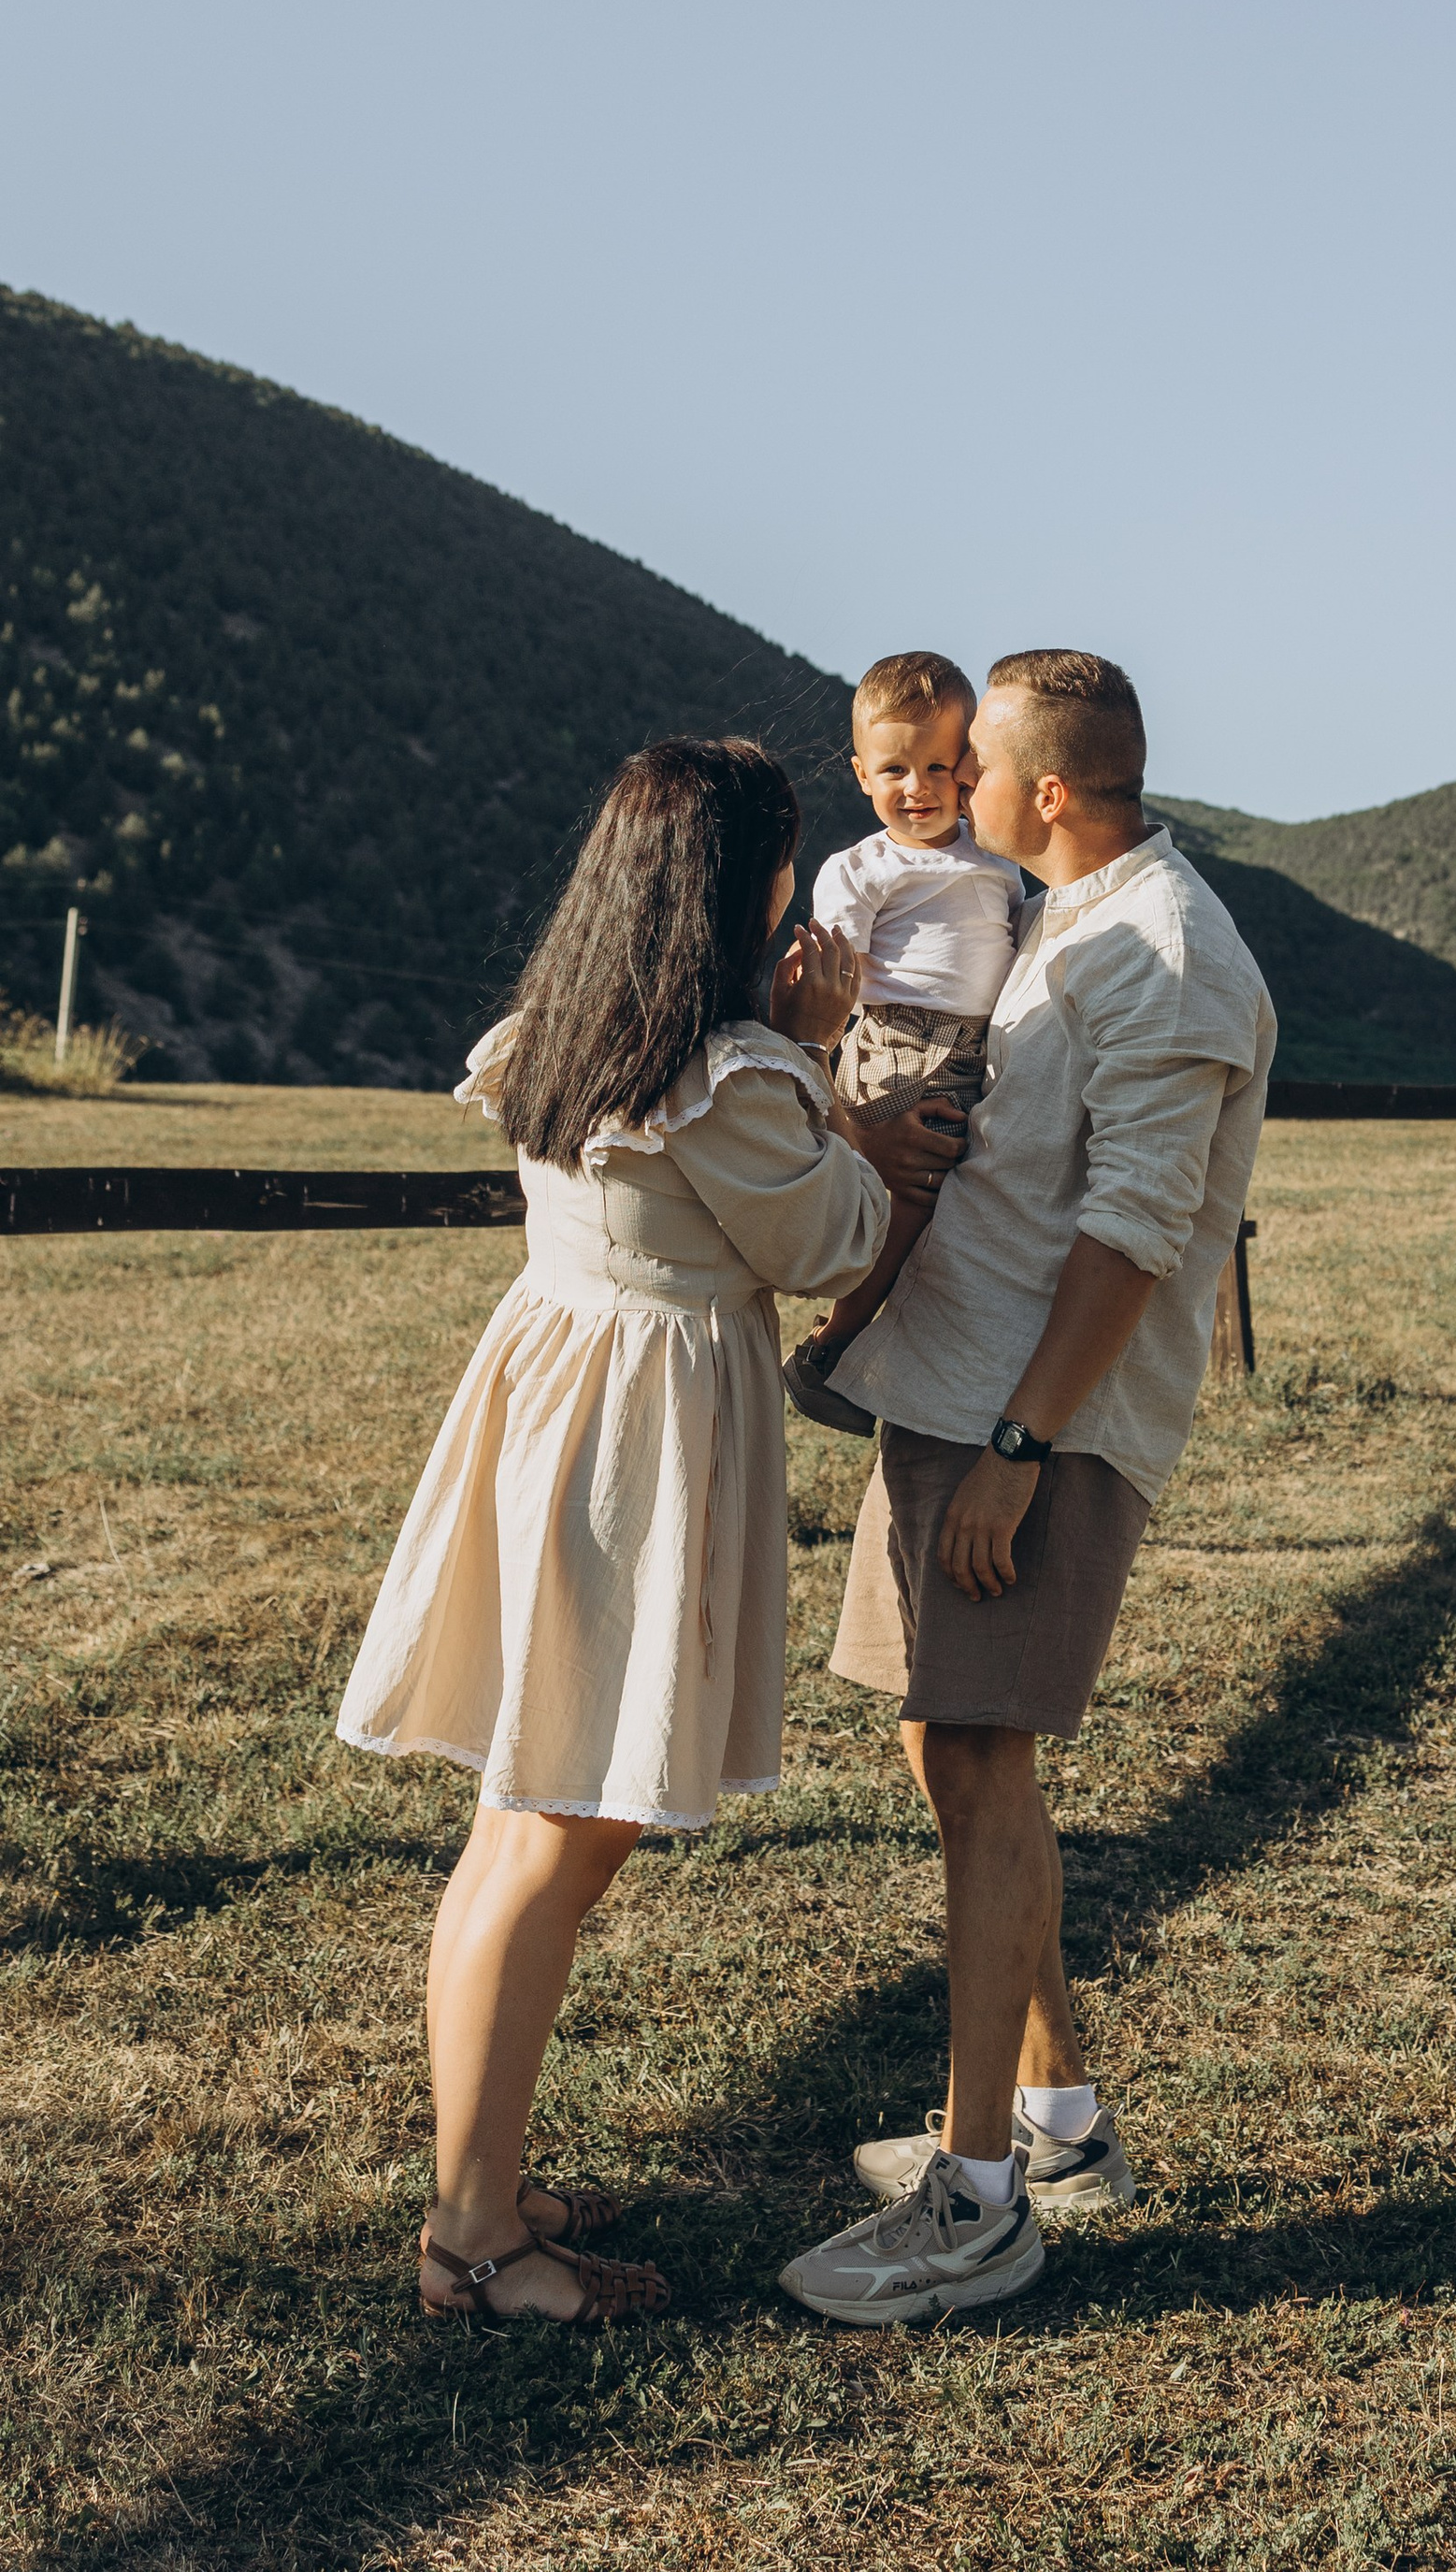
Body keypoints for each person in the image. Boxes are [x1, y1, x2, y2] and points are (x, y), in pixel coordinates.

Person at [336, 736, 952, 2328]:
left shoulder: (558, 1032)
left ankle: (481, 2178)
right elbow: (830, 1239)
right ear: (739, 888)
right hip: (636, 1440)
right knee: (558, 1831)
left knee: (518, 1824)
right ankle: (477, 2244)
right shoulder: (735, 1075)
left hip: (555, 1395)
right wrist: (825, 1065)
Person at [776, 651, 1276, 2328]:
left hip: (1032, 1433)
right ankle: (1057, 2120)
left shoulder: (1170, 952)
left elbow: (1138, 1229)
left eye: (970, 761)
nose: (947, 782)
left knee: (984, 1762)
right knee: (946, 1741)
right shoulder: (1062, 914)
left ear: (1045, 790)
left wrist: (1019, 1451)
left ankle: (977, 2196)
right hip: (954, 1394)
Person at [790, 649, 1024, 1378]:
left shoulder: (996, 862)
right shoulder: (860, 870)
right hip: (898, 1039)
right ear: (863, 776)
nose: (917, 788)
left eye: (937, 768)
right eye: (893, 771)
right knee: (910, 1197)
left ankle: (886, 1347)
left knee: (953, 1208)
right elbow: (834, 981)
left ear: (969, 770)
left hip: (973, 1049)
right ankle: (837, 1340)